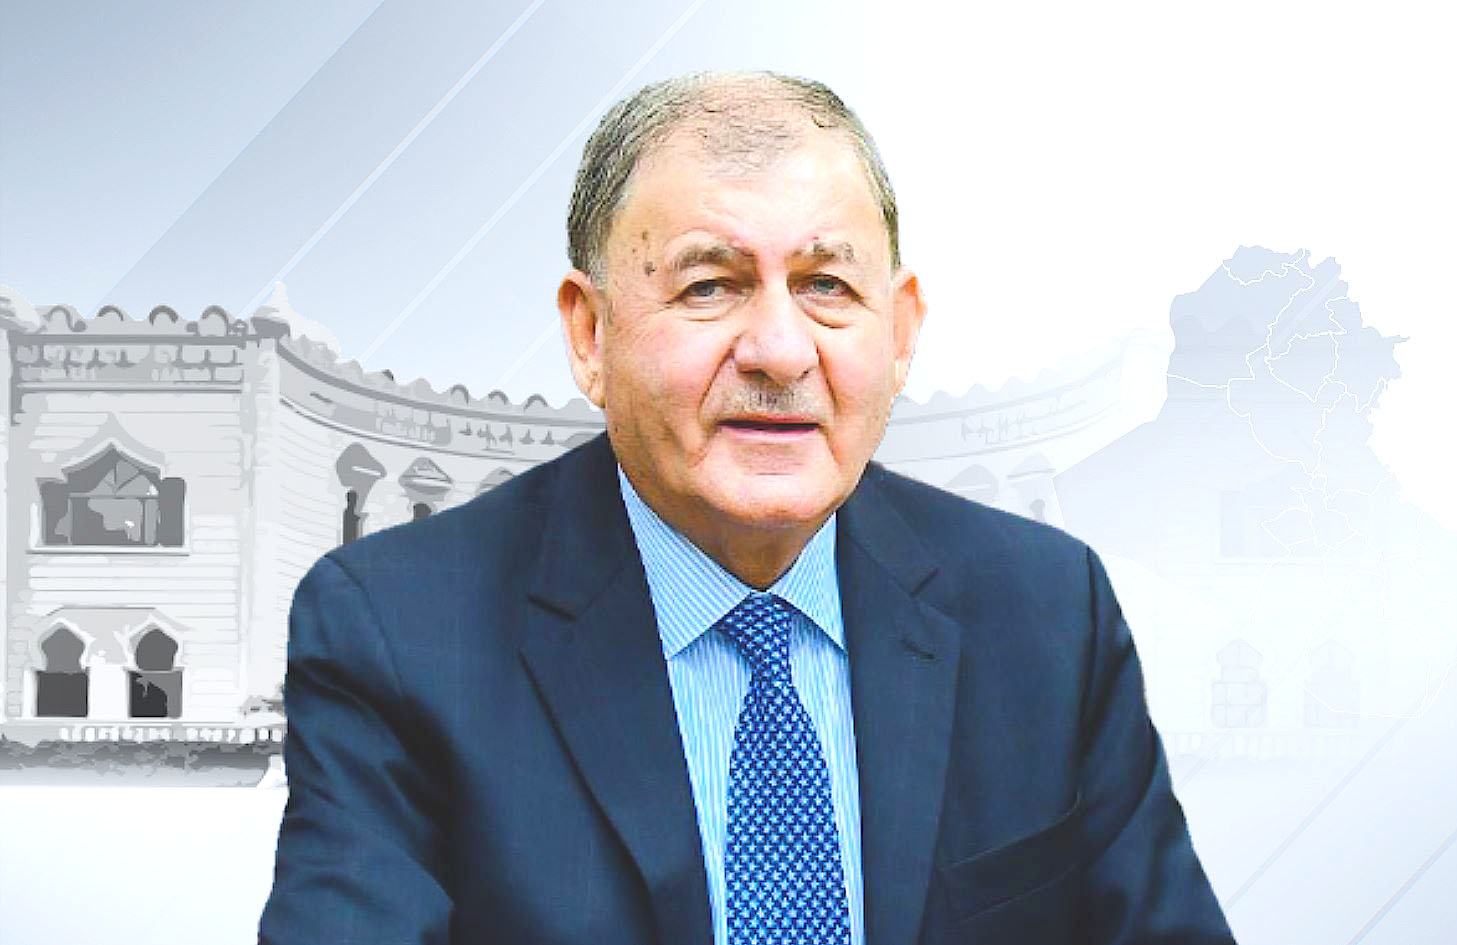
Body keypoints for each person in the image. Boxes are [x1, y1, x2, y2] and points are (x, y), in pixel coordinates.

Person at [258, 71, 1235, 945]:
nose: (779, 349)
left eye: (825, 285)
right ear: (590, 334)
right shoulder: (400, 635)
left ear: (899, 333)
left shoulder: (1047, 614)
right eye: (711, 285)